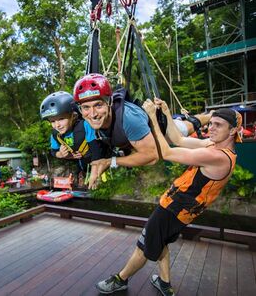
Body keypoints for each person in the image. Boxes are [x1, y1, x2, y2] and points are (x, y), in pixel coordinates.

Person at [95, 100, 242, 295]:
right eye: (211, 123)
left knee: (145, 244)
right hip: (179, 207)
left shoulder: (219, 157)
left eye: (218, 125)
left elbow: (166, 152)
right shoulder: (212, 145)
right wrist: (165, 112)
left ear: (232, 131)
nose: (210, 127)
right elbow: (178, 140)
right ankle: (164, 284)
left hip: (175, 210)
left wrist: (153, 119)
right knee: (160, 241)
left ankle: (120, 279)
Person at [73, 73, 159, 189]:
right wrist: (96, 170)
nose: (92, 114)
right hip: (131, 143)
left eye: (98, 105)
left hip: (167, 135)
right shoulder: (89, 122)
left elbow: (152, 157)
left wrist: (110, 161)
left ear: (109, 102)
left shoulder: (128, 118)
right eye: (86, 107)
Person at [40, 91, 104, 188]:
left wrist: (94, 173)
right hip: (80, 164)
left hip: (97, 160)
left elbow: (96, 149)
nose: (57, 125)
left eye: (61, 119)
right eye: (52, 121)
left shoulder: (85, 126)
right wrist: (61, 154)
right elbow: (53, 152)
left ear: (73, 116)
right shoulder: (55, 135)